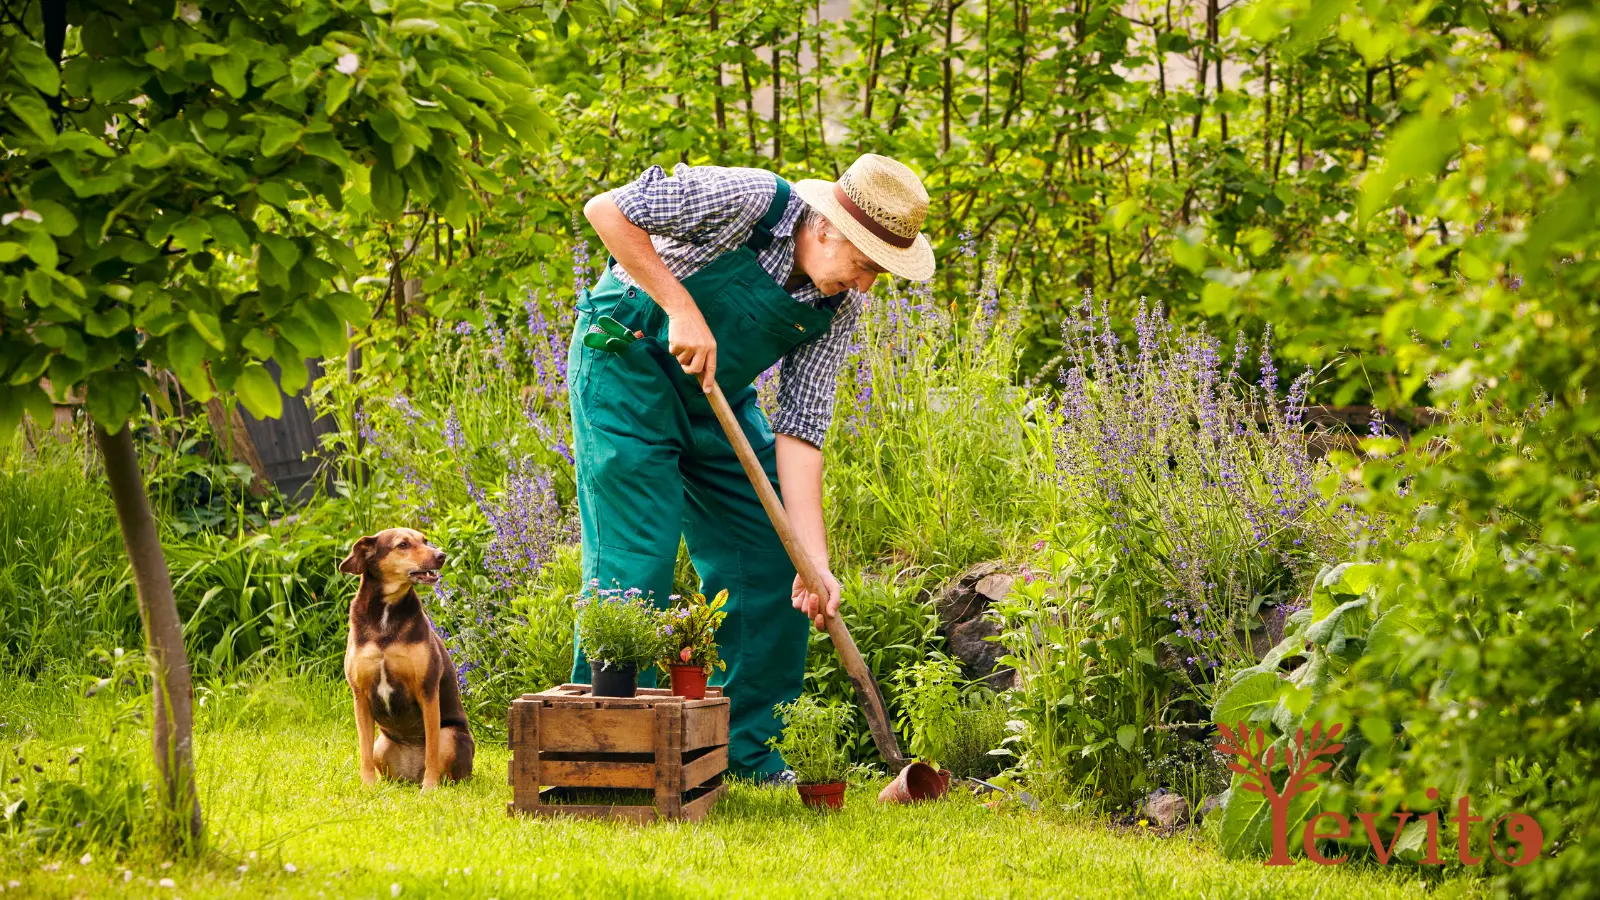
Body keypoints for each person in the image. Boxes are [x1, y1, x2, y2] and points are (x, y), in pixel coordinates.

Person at [569, 154, 935, 779]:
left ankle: (740, 751)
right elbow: (606, 210)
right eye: (866, 264)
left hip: (717, 399)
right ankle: (607, 752)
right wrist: (681, 308)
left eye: (881, 273)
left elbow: (802, 429)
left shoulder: (833, 307)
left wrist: (813, 562)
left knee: (774, 557)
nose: (867, 285)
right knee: (637, 565)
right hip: (625, 371)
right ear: (825, 228)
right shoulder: (748, 200)